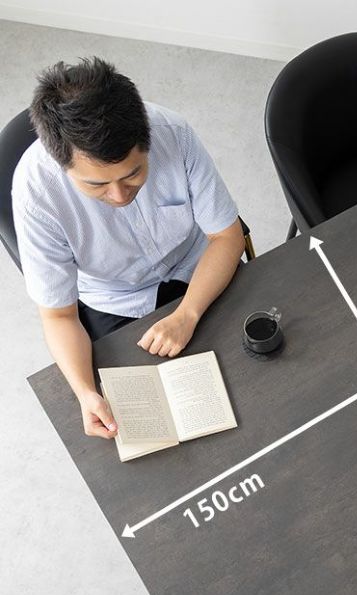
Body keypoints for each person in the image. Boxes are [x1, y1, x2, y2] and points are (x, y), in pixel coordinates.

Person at [12, 57, 245, 440]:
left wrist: (186, 315)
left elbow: (226, 237)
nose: (119, 196)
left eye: (133, 173)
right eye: (96, 185)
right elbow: (58, 315)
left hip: (197, 264)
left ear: (145, 138)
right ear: (62, 164)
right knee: (151, 428)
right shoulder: (36, 193)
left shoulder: (173, 132)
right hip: (114, 299)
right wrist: (85, 393)